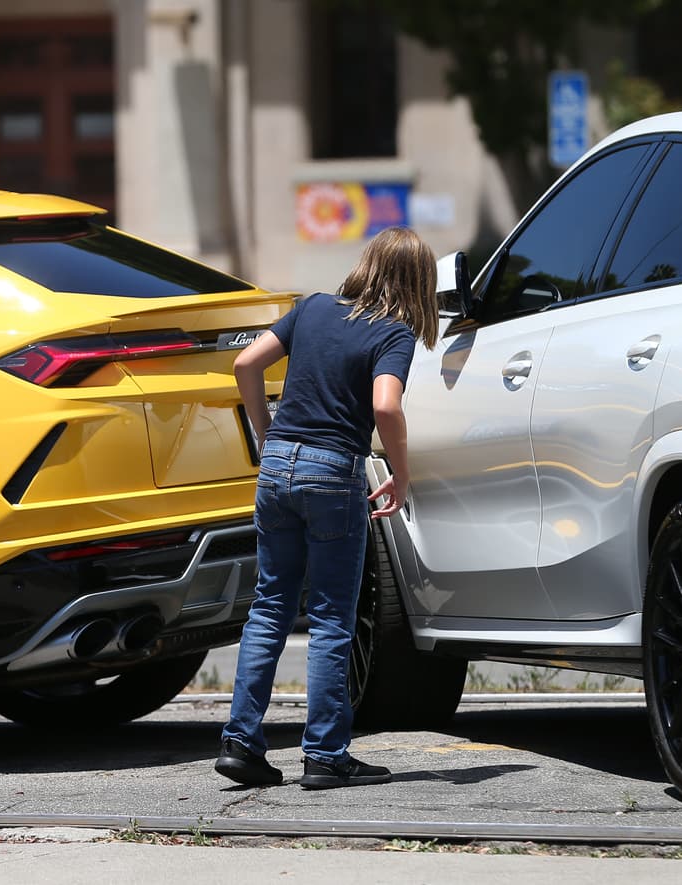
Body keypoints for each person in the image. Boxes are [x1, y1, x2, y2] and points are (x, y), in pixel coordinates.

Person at [214, 226, 439, 790]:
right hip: (333, 471)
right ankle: (325, 755)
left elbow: (246, 364)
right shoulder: (394, 332)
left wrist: (268, 435)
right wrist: (402, 472)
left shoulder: (312, 308)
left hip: (278, 468)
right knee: (333, 616)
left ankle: (241, 744)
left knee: (269, 606)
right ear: (418, 284)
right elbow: (385, 405)